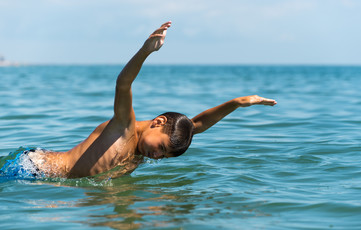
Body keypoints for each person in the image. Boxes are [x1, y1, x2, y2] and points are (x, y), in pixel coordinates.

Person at [2, 21, 277, 179]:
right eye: (161, 148)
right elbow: (123, 83)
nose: (157, 157)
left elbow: (197, 124)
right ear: (158, 123)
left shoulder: (145, 147)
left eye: (165, 156)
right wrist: (145, 51)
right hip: (35, 170)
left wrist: (239, 103)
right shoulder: (124, 127)